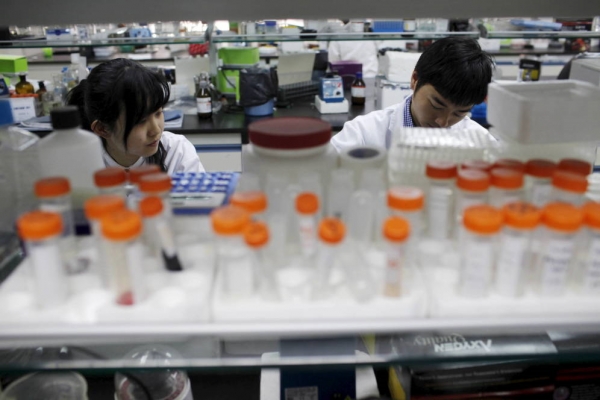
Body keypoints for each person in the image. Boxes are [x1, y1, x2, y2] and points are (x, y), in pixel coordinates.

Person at [331, 36, 494, 152]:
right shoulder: (363, 133)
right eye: (437, 105)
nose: (443, 122)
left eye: (459, 113)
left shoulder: (480, 141)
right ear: (415, 80)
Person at [67, 58, 204, 174]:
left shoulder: (176, 152)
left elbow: (202, 202)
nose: (156, 130)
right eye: (141, 121)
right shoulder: (81, 167)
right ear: (103, 128)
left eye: (158, 113)